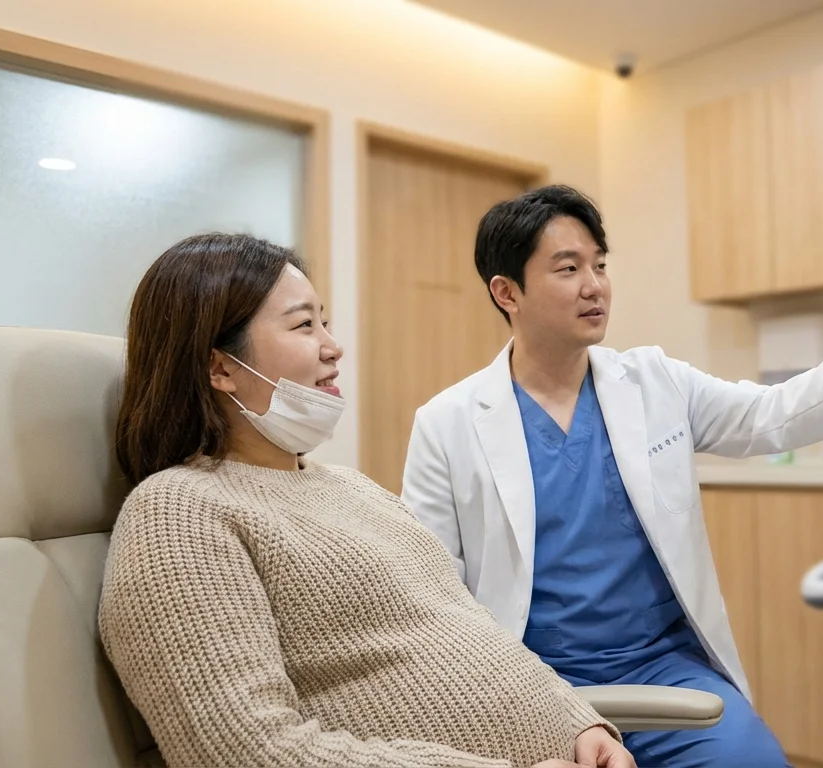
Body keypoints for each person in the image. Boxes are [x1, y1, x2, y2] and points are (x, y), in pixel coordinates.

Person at [400, 186, 823, 768]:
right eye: (568, 268)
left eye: (599, 265)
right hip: (533, 686)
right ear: (506, 292)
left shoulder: (655, 381)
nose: (594, 285)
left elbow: (770, 415)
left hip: (667, 670)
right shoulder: (446, 425)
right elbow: (433, 599)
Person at [98, 233, 635, 768]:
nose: (333, 346)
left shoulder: (352, 488)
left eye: (324, 322)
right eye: (305, 325)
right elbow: (241, 752)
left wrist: (579, 722)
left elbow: (466, 626)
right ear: (220, 368)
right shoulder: (178, 514)